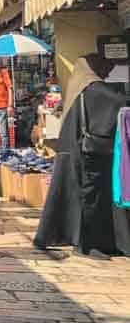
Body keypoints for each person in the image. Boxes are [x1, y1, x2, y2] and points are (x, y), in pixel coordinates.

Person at [35, 54, 130, 259]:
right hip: (88, 154)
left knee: (82, 198)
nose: (107, 74)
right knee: (90, 199)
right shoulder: (92, 87)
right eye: (105, 69)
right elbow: (119, 102)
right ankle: (87, 245)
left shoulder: (78, 85)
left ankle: (87, 242)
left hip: (75, 151)